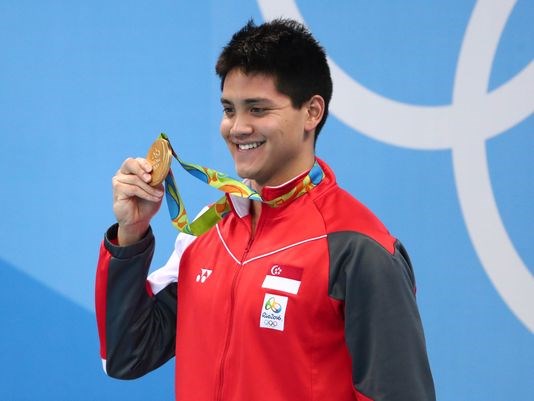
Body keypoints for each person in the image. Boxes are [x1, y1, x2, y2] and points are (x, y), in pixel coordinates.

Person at [95, 18, 436, 401]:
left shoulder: (356, 247)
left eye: (257, 109)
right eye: (229, 109)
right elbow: (127, 355)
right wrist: (131, 234)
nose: (237, 128)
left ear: (311, 112)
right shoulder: (209, 230)